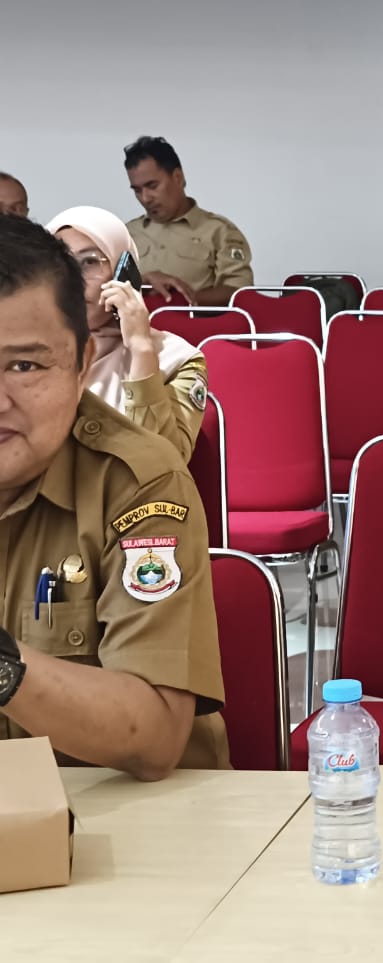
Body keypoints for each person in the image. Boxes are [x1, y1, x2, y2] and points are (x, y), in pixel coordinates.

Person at [0, 214, 227, 777]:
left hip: (121, 808)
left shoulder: (139, 482)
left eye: (24, 365)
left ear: (82, 365)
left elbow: (153, 735)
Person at [47, 207, 207, 461]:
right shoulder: (21, 351)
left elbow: (163, 462)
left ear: (123, 274)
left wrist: (141, 350)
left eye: (89, 262)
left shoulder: (176, 359)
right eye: (60, 263)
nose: (73, 279)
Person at [123, 136, 254, 306]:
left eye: (152, 186)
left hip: (195, 322)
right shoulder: (125, 235)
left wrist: (180, 300)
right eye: (137, 190)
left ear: (178, 177)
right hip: (135, 322)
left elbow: (240, 292)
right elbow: (102, 289)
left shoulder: (219, 231)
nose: (145, 198)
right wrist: (144, 280)